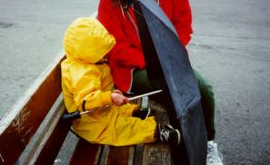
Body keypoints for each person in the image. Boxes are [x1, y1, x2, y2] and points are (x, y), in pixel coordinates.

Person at [97, 0, 225, 165]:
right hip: (132, 69)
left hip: (169, 59)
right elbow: (114, 47)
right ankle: (185, 144)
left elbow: (183, 25)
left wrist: (171, 53)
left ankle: (208, 142)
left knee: (204, 89)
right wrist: (153, 61)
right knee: (172, 89)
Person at [61, 17, 180, 146]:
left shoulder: (84, 62)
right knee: (123, 129)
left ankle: (134, 113)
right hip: (94, 123)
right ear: (87, 53)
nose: (105, 55)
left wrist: (110, 94)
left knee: (121, 108)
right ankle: (156, 132)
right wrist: (109, 96)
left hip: (101, 111)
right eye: (100, 53)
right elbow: (86, 101)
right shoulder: (83, 74)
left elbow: (96, 90)